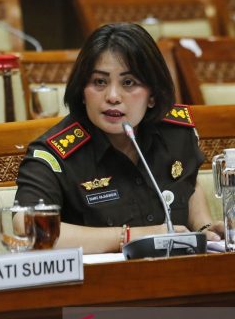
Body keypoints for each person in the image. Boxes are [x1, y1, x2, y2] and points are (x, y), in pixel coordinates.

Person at [15, 23, 222, 253]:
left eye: (128, 82)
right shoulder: (55, 154)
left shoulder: (174, 132)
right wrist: (131, 237)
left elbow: (187, 184)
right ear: (82, 91)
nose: (113, 97)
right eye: (99, 82)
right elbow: (27, 227)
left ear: (152, 95)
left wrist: (204, 227)